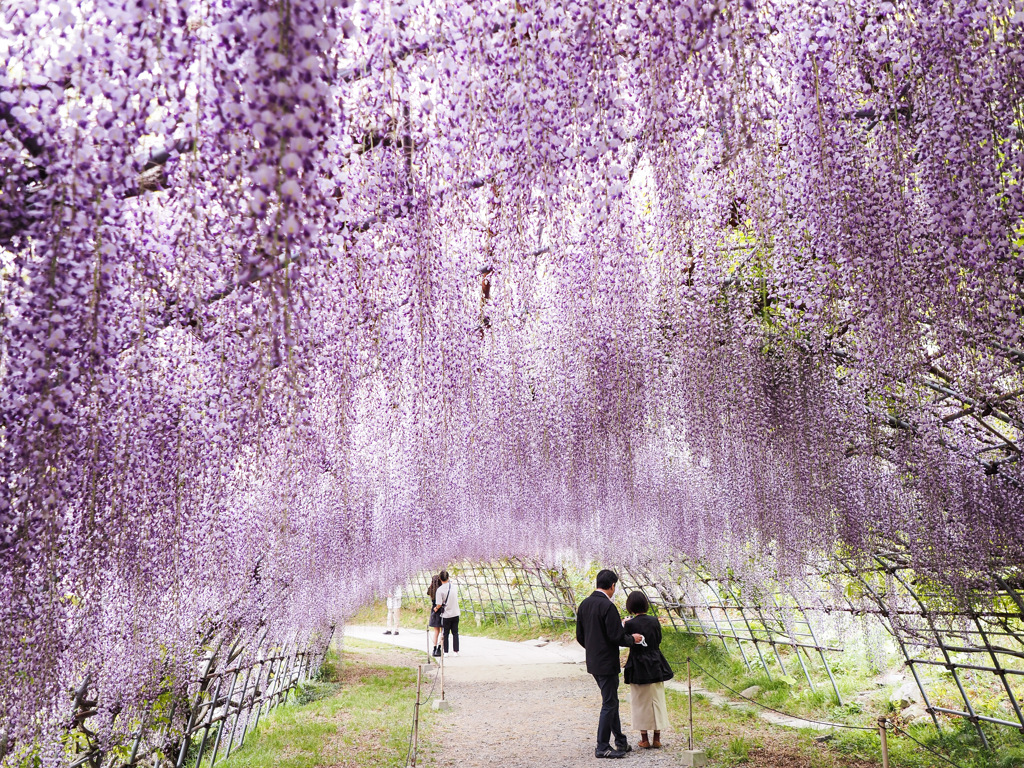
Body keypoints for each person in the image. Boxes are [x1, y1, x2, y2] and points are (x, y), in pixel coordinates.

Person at [576, 569, 644, 759]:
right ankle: (602, 746)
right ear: (612, 585)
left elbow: (580, 636)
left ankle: (621, 741)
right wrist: (633, 639)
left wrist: (593, 648)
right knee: (609, 703)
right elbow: (616, 636)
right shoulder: (607, 606)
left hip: (594, 661)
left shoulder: (584, 604)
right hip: (607, 663)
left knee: (611, 700)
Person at [622, 591, 673, 749]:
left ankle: (644, 739)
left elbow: (626, 641)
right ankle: (657, 738)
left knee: (640, 701)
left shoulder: (630, 624)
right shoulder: (654, 621)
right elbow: (658, 640)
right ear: (645, 604)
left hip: (637, 664)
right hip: (655, 662)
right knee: (656, 699)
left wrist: (624, 625)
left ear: (630, 606)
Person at [434, 569, 461, 657]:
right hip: (455, 613)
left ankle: (446, 652)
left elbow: (439, 604)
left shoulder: (440, 590)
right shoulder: (453, 587)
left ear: (440, 579)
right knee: (455, 633)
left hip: (446, 614)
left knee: (445, 633)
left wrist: (436, 608)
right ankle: (456, 651)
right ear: (448, 578)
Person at [427, 574, 443, 657]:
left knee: (436, 631)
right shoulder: (441, 590)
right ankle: (439, 648)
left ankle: (434, 648)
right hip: (441, 610)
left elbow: (428, 592)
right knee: (442, 631)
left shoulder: (431, 590)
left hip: (434, 610)